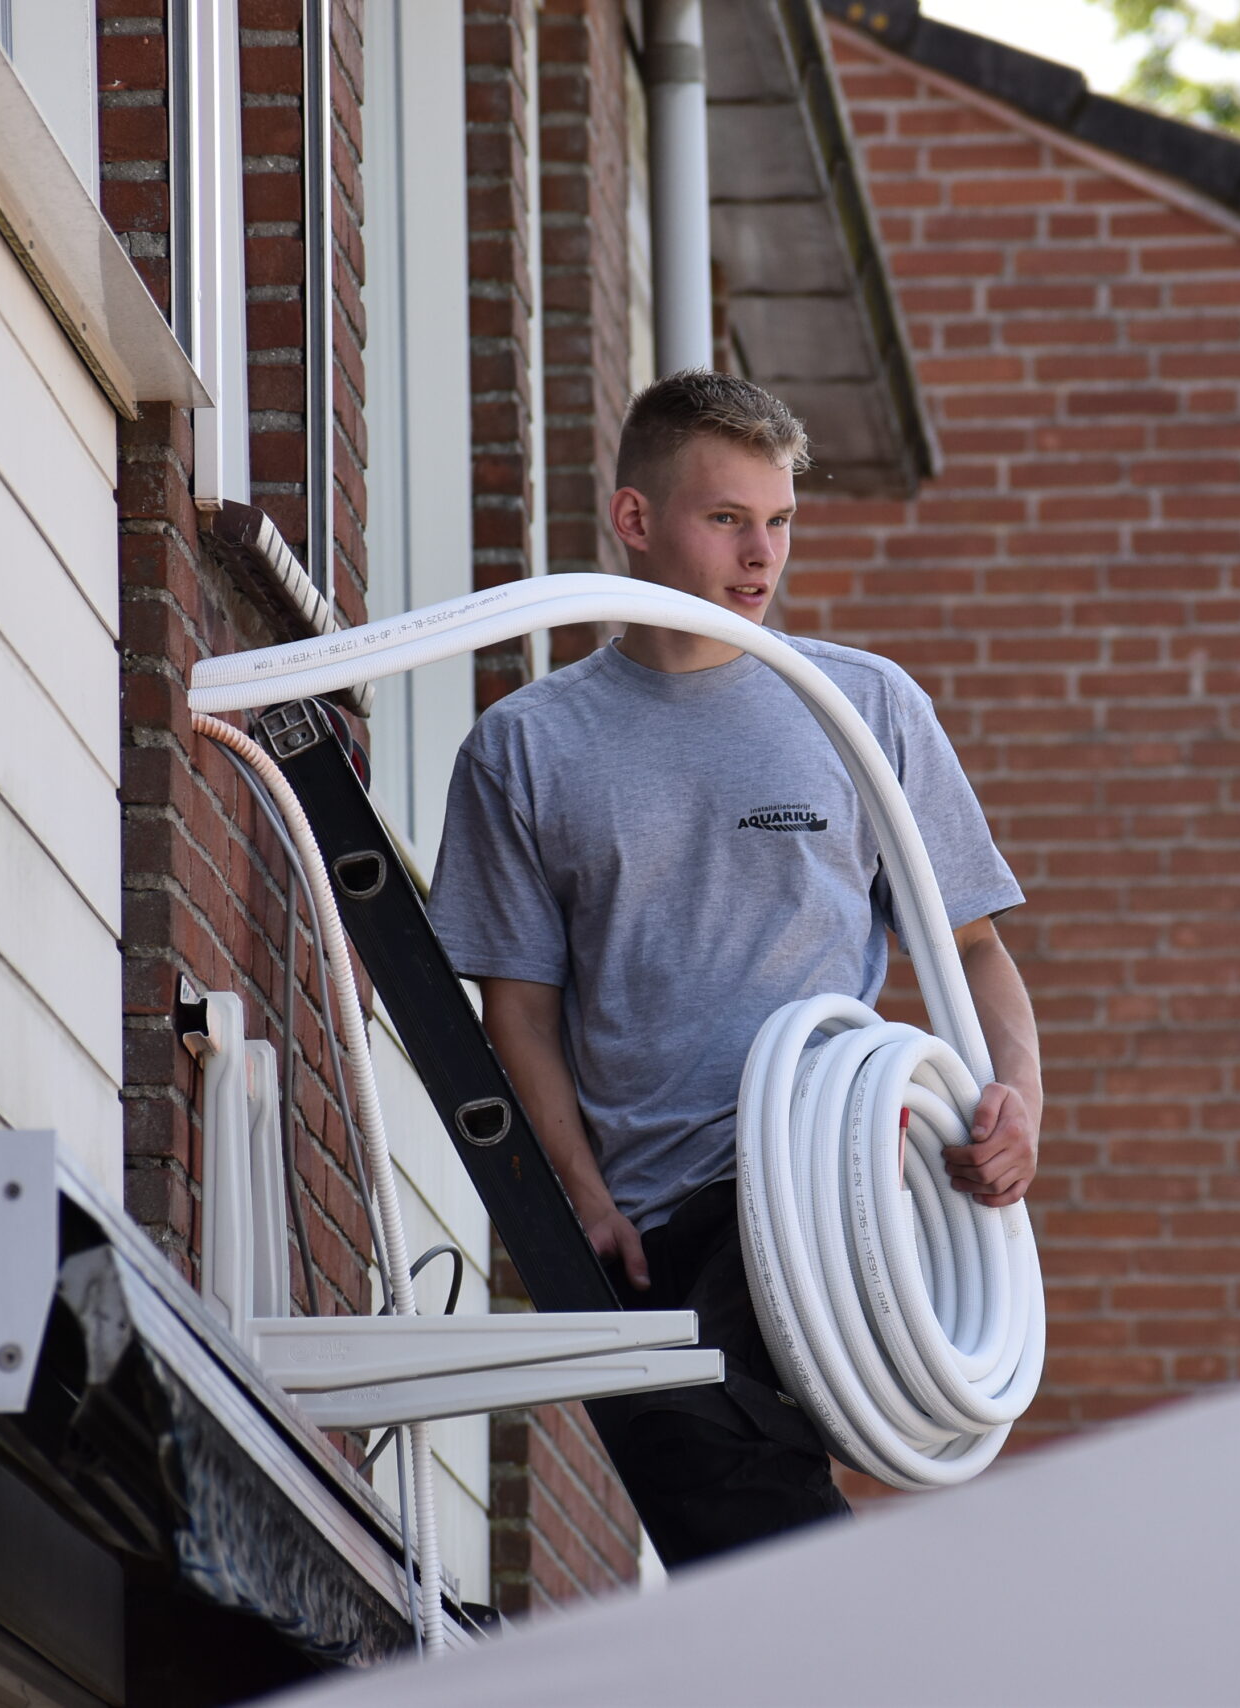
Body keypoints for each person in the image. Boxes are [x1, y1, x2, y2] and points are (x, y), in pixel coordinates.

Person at [426, 370, 1043, 1567]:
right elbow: (521, 1012)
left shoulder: (862, 708)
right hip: (656, 1221)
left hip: (831, 1187)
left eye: (780, 523)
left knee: (753, 1540)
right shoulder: (529, 747)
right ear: (636, 520)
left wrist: (1013, 1096)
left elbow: (973, 949)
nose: (761, 556)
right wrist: (582, 1197)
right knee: (741, 1547)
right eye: (726, 520)